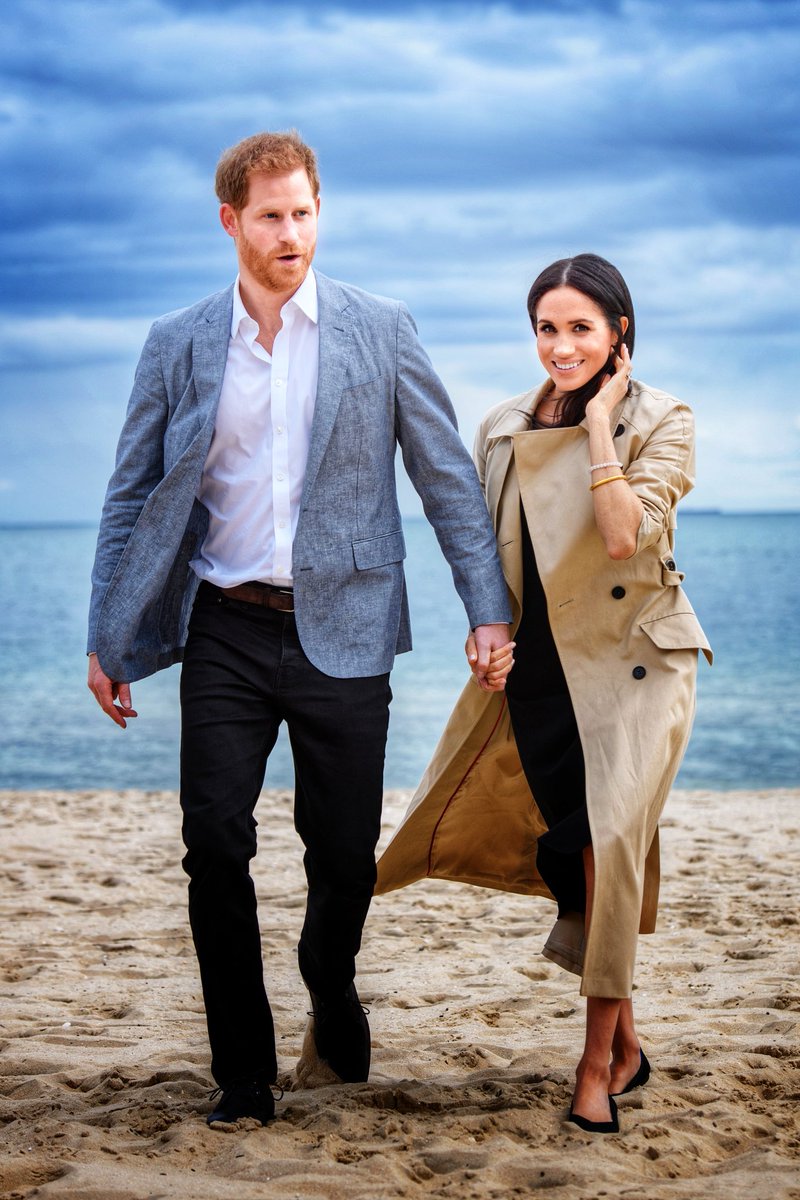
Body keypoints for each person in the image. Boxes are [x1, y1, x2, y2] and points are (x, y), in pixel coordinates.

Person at [87, 130, 512, 1129]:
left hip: (347, 627)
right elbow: (130, 493)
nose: (291, 232)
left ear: (320, 210)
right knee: (212, 841)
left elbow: (444, 477)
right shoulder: (178, 341)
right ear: (230, 221)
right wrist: (109, 636)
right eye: (270, 215)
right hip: (224, 625)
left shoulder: (379, 327)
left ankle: (329, 975)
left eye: (304, 212)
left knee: (341, 854)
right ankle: (242, 1070)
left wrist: (484, 606)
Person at [376, 253, 712, 1134]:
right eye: (546, 328)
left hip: (637, 667)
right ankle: (631, 1043)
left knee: (609, 842)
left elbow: (621, 535)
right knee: (576, 853)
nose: (560, 346)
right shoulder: (501, 427)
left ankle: (594, 1064)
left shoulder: (663, 419)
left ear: (619, 334)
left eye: (581, 329)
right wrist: (484, 633)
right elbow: (491, 557)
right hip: (543, 675)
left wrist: (600, 425)